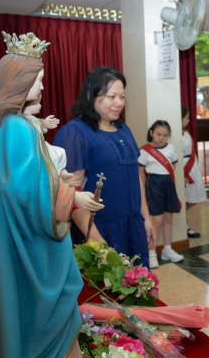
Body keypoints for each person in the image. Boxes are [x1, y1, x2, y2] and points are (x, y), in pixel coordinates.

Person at [0, 32, 103, 358]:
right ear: (20, 80)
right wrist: (73, 195)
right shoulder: (18, 127)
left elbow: (16, 185)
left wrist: (62, 187)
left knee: (16, 311)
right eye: (38, 79)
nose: (42, 86)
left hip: (7, 240)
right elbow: (28, 193)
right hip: (32, 246)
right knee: (48, 315)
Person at [54, 66, 155, 268]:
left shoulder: (124, 129)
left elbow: (136, 177)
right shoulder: (74, 132)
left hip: (132, 226)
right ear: (91, 95)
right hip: (98, 230)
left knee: (135, 284)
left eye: (122, 97)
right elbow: (71, 193)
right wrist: (99, 244)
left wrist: (146, 218)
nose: (119, 103)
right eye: (111, 96)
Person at [138, 120, 183, 268]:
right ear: (151, 133)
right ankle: (151, 252)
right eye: (158, 134)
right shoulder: (145, 150)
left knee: (168, 218)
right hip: (154, 184)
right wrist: (143, 191)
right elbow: (141, 174)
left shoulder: (171, 148)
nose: (161, 138)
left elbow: (172, 168)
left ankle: (167, 250)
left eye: (165, 135)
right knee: (156, 221)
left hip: (168, 184)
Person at [22, 95, 69, 178]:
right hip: (36, 146)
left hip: (39, 144)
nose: (40, 106)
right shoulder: (26, 119)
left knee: (59, 152)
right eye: (38, 103)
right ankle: (58, 171)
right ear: (29, 105)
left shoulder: (28, 118)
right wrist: (43, 124)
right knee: (54, 155)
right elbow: (35, 124)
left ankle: (60, 170)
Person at [181, 106, 207, 238]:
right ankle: (184, 225)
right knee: (185, 196)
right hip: (184, 165)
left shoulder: (185, 132)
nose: (188, 120)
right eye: (186, 118)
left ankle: (183, 220)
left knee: (194, 196)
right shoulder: (174, 134)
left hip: (192, 165)